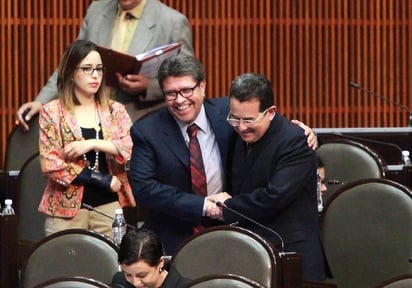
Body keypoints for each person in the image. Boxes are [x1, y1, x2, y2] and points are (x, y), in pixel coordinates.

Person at [129, 55, 318, 255]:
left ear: (202, 87)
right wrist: (203, 206)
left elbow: (265, 122)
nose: (180, 100)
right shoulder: (147, 131)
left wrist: (304, 132)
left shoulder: (229, 114)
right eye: (171, 93)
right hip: (174, 239)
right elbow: (144, 188)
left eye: (186, 90)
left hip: (237, 237)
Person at [208, 73, 326, 281]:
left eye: (249, 120)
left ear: (270, 112)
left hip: (290, 255)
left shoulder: (295, 141)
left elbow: (275, 196)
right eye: (235, 118)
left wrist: (229, 206)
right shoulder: (235, 130)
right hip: (251, 252)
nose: (241, 127)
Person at [17, 0, 194, 130]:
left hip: (143, 125)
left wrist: (148, 86)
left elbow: (188, 78)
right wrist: (41, 101)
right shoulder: (96, 10)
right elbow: (72, 62)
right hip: (91, 120)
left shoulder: (172, 22)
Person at [38, 40, 135, 238]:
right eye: (87, 69)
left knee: (114, 265)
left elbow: (131, 148)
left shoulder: (115, 110)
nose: (95, 75)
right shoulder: (52, 112)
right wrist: (102, 179)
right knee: (66, 267)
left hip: (109, 208)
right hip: (65, 210)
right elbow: (51, 164)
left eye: (99, 69)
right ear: (71, 73)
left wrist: (92, 143)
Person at [111, 229, 190, 288]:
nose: (136, 283)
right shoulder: (119, 282)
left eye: (142, 275)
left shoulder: (187, 286)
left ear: (160, 263)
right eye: (128, 275)